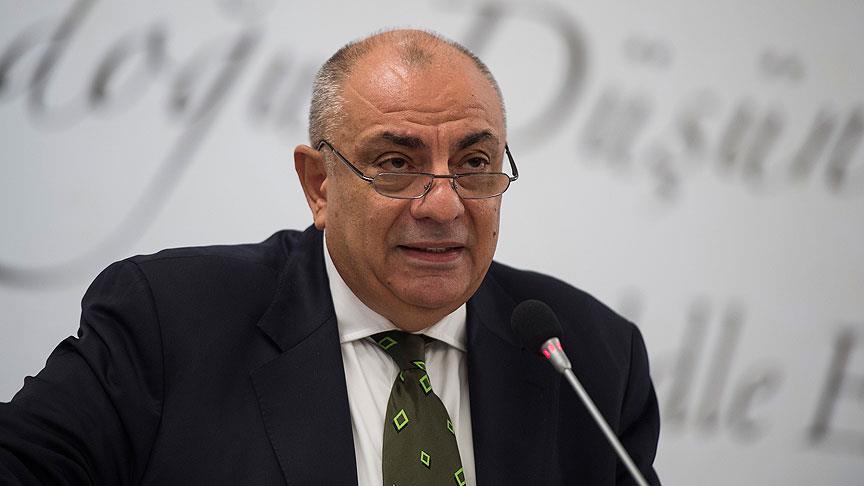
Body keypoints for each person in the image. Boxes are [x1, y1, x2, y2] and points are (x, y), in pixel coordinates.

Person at [0, 29, 660, 485]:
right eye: (396, 163)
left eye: (474, 163)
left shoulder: (593, 358)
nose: (443, 204)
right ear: (320, 185)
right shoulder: (169, 324)